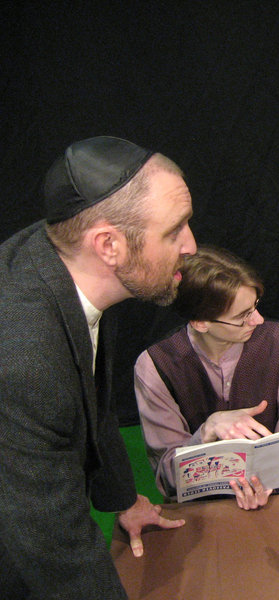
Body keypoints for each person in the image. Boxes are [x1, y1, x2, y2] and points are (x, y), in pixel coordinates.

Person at [0, 136, 196, 599]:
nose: (190, 245)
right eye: (174, 231)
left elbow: (93, 400)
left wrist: (123, 501)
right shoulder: (23, 357)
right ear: (108, 244)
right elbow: (54, 545)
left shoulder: (64, 265)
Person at [134, 245, 279, 510]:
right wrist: (208, 430)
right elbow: (168, 476)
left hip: (276, 503)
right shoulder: (156, 365)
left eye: (255, 306)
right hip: (199, 514)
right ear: (201, 322)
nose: (257, 319)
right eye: (243, 316)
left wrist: (268, 484)